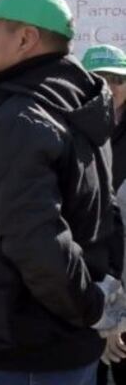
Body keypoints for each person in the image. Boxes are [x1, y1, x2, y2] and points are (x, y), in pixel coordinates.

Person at [0, 0, 123, 384]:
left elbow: (38, 241)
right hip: (53, 346)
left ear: (26, 39)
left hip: (17, 353)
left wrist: (91, 305)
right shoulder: (73, 104)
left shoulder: (20, 119)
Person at [84, 45, 126, 382]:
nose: (110, 87)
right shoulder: (69, 129)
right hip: (87, 265)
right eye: (100, 78)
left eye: (117, 79)